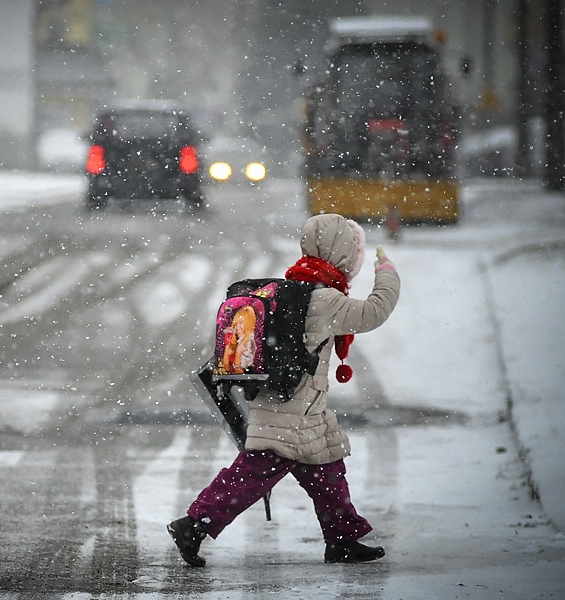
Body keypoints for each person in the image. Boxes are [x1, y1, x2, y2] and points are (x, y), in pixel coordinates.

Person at [167, 213, 400, 566]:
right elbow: (375, 311)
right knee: (252, 475)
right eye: (354, 255)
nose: (355, 262)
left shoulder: (287, 289)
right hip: (292, 411)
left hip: (293, 405)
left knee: (326, 466)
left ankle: (343, 537)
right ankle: (194, 525)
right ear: (339, 254)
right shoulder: (324, 299)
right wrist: (387, 273)